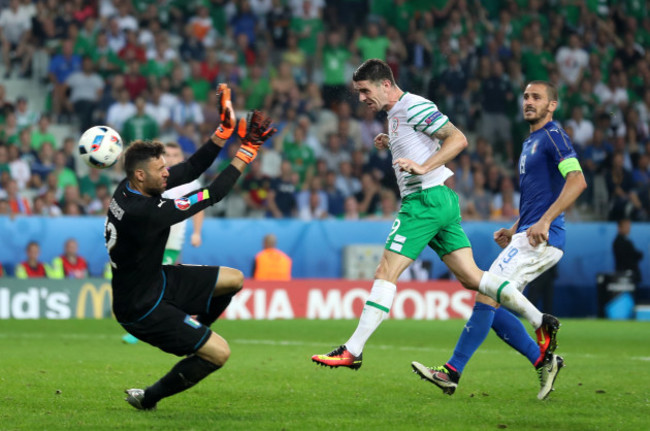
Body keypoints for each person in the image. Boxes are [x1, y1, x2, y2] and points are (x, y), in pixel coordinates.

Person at [311, 60, 561, 387]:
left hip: (424, 202)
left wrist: (422, 165)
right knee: (473, 278)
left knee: (386, 271)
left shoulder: (414, 105)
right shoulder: (398, 113)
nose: (360, 98)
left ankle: (353, 349)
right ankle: (539, 320)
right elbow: (419, 138)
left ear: (385, 84)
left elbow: (457, 139)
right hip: (440, 199)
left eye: (364, 91)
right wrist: (393, 142)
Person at [411, 81, 587, 400]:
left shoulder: (553, 136)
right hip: (526, 234)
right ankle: (543, 359)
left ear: (552, 106)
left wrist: (544, 222)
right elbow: (537, 197)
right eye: (525, 97)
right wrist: (515, 226)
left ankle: (452, 372)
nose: (529, 102)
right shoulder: (531, 141)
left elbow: (578, 181)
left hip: (543, 238)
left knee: (485, 297)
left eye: (537, 98)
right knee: (488, 302)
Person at [107, 84, 276, 410]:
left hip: (157, 281)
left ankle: (196, 328)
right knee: (219, 353)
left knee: (234, 279)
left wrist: (223, 132)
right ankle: (148, 398)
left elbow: (192, 168)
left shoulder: (131, 186)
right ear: (142, 175)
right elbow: (212, 193)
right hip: (141, 309)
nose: (168, 173)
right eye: (161, 170)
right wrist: (247, 150)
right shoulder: (145, 213)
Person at [121, 142, 205, 344]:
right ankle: (179, 320)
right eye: (169, 155)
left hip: (172, 237)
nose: (172, 158)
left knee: (158, 280)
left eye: (176, 154)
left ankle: (149, 325)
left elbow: (200, 205)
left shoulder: (190, 183)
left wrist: (197, 232)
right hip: (151, 236)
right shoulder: (156, 178)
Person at [613, 218, 643, 284]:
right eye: (626, 226)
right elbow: (628, 256)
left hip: (630, 275)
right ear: (619, 228)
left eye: (629, 226)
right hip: (625, 275)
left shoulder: (626, 241)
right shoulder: (619, 242)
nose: (629, 228)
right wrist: (637, 255)